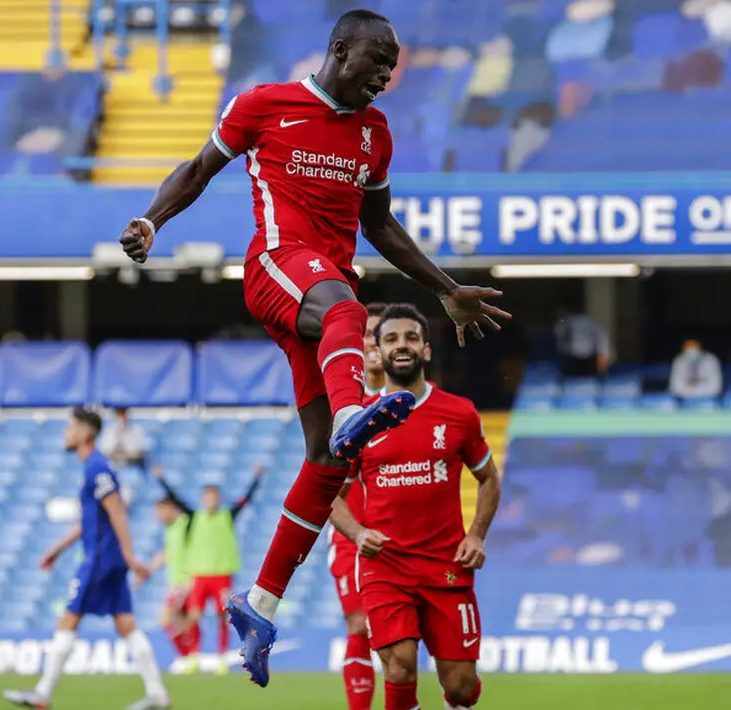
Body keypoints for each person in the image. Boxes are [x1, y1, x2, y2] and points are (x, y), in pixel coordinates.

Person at [118, 8, 509, 686]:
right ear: (338, 51)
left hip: (323, 297)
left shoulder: (374, 135)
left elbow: (379, 227)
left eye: (392, 69)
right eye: (376, 62)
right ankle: (356, 403)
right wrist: (151, 221)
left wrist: (446, 289)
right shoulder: (265, 106)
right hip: (277, 264)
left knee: (329, 459)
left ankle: (260, 603)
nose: (385, 78)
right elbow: (198, 168)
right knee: (346, 309)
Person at [329, 303, 502, 710]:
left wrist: (476, 534)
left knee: (460, 687)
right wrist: (357, 533)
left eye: (410, 338)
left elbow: (489, 478)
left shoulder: (459, 413)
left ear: (426, 349)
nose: (400, 345)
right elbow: (331, 497)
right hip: (386, 566)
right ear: (379, 350)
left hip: (446, 564)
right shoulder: (361, 422)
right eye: (390, 339)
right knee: (400, 666)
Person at [4, 408, 168, 710]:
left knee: (68, 618)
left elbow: (117, 509)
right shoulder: (91, 469)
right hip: (109, 555)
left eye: (71, 427)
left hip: (101, 558)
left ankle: (42, 693)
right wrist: (58, 548)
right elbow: (90, 521)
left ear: (86, 433)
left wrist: (131, 557)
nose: (66, 432)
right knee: (126, 624)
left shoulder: (97, 467)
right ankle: (157, 694)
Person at [325, 300, 393, 710]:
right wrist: (353, 528)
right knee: (358, 624)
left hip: (399, 532)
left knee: (397, 636)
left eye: (379, 336)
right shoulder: (344, 403)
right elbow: (327, 484)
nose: (371, 343)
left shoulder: (408, 401)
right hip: (353, 534)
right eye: (366, 335)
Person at [154, 464, 265, 674]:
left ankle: (222, 657)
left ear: (219, 499)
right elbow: (176, 499)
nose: (211, 501)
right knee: (194, 615)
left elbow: (246, 499)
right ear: (204, 499)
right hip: (199, 574)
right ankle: (194, 655)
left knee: (222, 615)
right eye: (208, 497)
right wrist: (161, 480)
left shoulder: (227, 516)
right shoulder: (195, 517)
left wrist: (256, 478)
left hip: (222, 575)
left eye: (214, 497)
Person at [149, 468, 202, 674]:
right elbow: (168, 553)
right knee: (184, 621)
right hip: (176, 582)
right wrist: (148, 570)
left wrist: (161, 479)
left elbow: (181, 503)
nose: (157, 516)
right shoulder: (170, 529)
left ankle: (187, 656)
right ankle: (191, 657)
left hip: (185, 581)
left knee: (167, 619)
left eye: (159, 510)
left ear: (170, 508)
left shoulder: (185, 523)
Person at [553, 306, 610, 378]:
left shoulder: (569, 320)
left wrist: (602, 355)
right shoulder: (569, 320)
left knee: (583, 381)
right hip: (575, 358)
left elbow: (559, 328)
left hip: (585, 358)